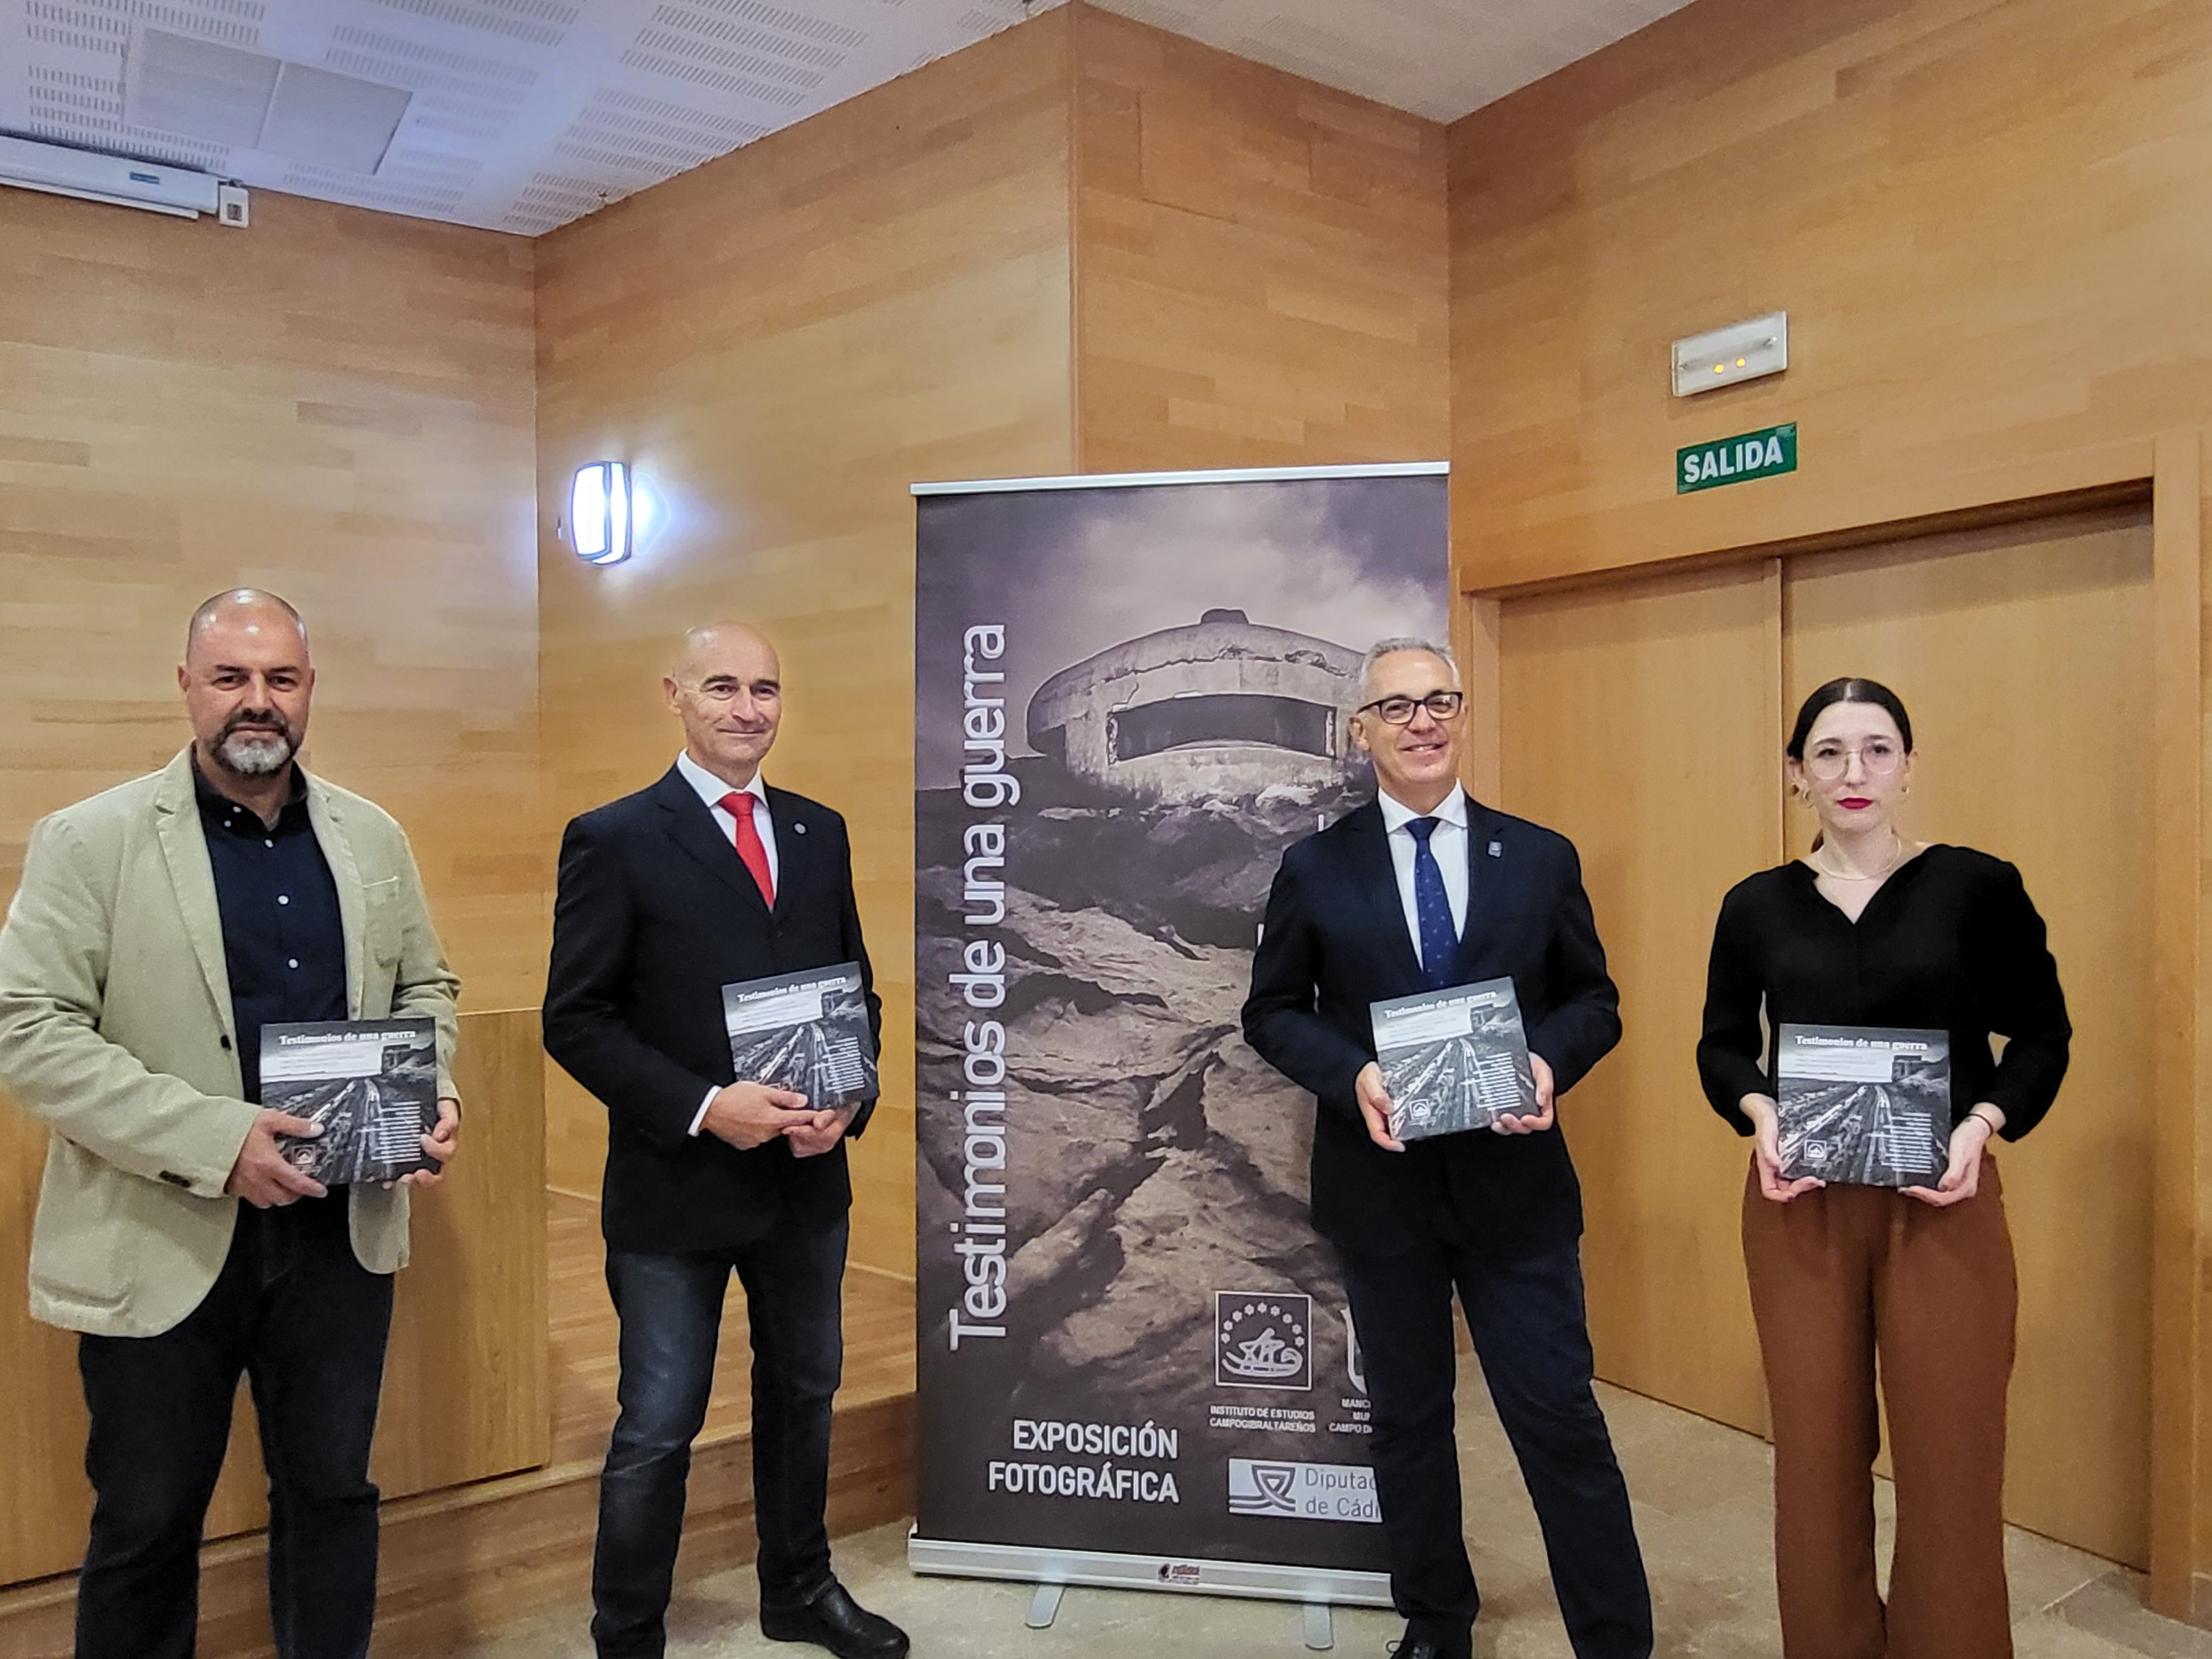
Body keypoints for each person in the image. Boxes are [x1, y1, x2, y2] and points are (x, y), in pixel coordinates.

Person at [0, 589, 462, 1659]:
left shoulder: (372, 835)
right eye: (232, 678)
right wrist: (218, 1144)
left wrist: (432, 1088)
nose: (258, 703)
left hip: (339, 1232)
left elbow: (427, 987)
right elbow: (31, 1030)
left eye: (282, 679)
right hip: (161, 1232)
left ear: (309, 689)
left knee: (332, 1494)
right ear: (187, 687)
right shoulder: (89, 840)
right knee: (147, 1520)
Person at [1243, 637, 1652, 1659]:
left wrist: (1551, 1063)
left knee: (1558, 1418)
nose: (1421, 722)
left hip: (1517, 1192)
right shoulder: (1313, 866)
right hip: (1380, 1193)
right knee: (1409, 1423)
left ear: (1462, 717)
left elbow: (1594, 1001)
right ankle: (1436, 1621)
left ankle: (1615, 1638)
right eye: (1397, 708)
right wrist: (1355, 1077)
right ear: (1361, 731)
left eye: (1440, 702)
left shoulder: (1541, 856)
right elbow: (1274, 1011)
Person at [543, 622, 906, 1659]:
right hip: (675, 1189)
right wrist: (708, 1105)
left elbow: (855, 987)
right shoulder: (612, 837)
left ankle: (798, 1591)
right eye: (722, 687)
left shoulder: (819, 830)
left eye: (765, 689)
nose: (748, 709)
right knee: (660, 1422)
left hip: (805, 1182)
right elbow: (575, 1020)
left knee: (806, 1392)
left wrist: (851, 1093)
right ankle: (629, 1633)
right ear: (675, 696)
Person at [1697, 676, 2070, 1659]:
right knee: (1816, 1464)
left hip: (1941, 1200)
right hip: (1801, 1202)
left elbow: (2042, 1034)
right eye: (1828, 752)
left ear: (1910, 766)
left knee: (1952, 1459)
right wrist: (1758, 1108)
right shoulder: (1757, 905)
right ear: (1796, 775)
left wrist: (1982, 1122)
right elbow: (1724, 1045)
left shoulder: (1978, 887)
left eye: (1876, 750)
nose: (1852, 772)